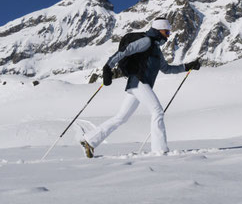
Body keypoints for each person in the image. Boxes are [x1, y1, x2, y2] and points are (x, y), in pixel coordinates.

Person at [80, 17, 200, 158]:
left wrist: (187, 66)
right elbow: (125, 50)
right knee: (157, 111)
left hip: (139, 85)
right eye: (166, 32)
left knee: (121, 117)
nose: (168, 35)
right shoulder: (146, 41)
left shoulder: (156, 49)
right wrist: (108, 67)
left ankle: (90, 140)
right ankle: (160, 150)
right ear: (159, 30)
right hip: (138, 82)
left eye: (169, 33)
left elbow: (166, 69)